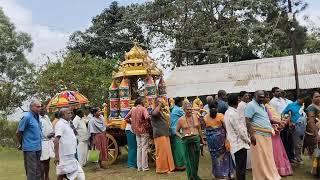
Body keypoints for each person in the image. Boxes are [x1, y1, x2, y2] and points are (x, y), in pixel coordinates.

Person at [245, 90, 280, 180]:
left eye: (263, 97)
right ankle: (261, 177)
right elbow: (247, 121)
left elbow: (264, 119)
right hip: (258, 135)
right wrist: (252, 135)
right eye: (259, 97)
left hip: (266, 135)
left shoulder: (262, 105)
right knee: (260, 158)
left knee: (267, 157)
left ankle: (269, 175)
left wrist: (275, 124)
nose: (261, 98)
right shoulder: (250, 105)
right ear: (254, 96)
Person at [264, 92, 292, 176]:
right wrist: (279, 123)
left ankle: (281, 169)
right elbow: (268, 119)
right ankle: (275, 169)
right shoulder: (264, 107)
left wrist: (281, 122)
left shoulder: (269, 106)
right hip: (271, 130)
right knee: (274, 150)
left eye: (268, 97)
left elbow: (276, 116)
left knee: (278, 150)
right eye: (266, 97)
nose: (268, 99)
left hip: (276, 130)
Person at [54, 108, 85, 180]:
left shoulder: (69, 123)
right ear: (62, 115)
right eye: (68, 113)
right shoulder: (60, 124)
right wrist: (56, 156)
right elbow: (56, 140)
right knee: (63, 173)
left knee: (66, 174)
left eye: (71, 113)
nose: (71, 115)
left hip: (71, 153)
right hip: (64, 155)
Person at [176, 103, 204, 180]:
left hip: (196, 139)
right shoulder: (180, 119)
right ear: (184, 110)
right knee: (188, 161)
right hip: (186, 141)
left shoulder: (195, 116)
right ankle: (191, 177)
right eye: (188, 109)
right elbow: (177, 131)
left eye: (190, 109)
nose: (189, 111)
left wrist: (202, 139)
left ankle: (195, 175)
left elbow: (199, 128)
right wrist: (181, 136)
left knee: (196, 160)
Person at [224, 94, 249, 180]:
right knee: (241, 168)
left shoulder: (228, 112)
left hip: (235, 143)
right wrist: (248, 140)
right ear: (237, 102)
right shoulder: (233, 113)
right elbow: (240, 131)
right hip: (240, 144)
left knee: (239, 167)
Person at [16, 100, 42, 180]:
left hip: (38, 147)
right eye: (38, 107)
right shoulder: (26, 117)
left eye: (40, 106)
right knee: (32, 171)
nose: (40, 108)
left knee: (38, 170)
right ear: (32, 107)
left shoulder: (37, 117)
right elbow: (18, 132)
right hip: (30, 148)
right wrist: (20, 144)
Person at [125, 97, 150, 171]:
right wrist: (146, 123)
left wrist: (132, 123)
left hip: (136, 131)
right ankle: (144, 167)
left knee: (139, 148)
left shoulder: (133, 109)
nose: (145, 103)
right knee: (144, 148)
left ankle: (139, 167)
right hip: (143, 130)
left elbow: (126, 118)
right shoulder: (143, 109)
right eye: (145, 102)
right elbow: (147, 117)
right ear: (142, 102)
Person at [269, 87, 294, 162]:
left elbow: (286, 110)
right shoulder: (272, 102)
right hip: (279, 123)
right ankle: (284, 158)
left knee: (288, 140)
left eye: (279, 91)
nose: (279, 92)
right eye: (277, 91)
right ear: (273, 93)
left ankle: (289, 157)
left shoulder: (282, 99)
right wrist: (279, 122)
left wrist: (287, 120)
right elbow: (274, 114)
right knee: (282, 141)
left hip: (286, 121)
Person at [151, 98, 175, 173]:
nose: (163, 102)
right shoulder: (154, 111)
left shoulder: (161, 110)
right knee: (161, 153)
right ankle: (162, 169)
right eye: (161, 101)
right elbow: (155, 113)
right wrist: (159, 104)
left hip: (165, 133)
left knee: (167, 151)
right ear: (157, 103)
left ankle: (168, 168)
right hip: (159, 134)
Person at [282, 93, 307, 165]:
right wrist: (289, 121)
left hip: (303, 126)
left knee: (300, 143)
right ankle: (298, 158)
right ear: (299, 98)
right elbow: (283, 113)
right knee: (296, 143)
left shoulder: (303, 105)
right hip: (295, 127)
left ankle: (297, 157)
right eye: (302, 100)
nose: (303, 101)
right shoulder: (291, 105)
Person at [305, 91, 320, 176]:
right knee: (316, 152)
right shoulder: (311, 107)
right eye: (316, 97)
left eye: (319, 96)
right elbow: (311, 121)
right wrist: (316, 134)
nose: (318, 98)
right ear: (312, 98)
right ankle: (315, 170)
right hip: (314, 132)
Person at [169, 97, 186, 170]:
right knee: (179, 149)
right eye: (181, 102)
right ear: (179, 102)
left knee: (175, 148)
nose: (182, 103)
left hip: (172, 130)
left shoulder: (173, 108)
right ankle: (180, 165)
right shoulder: (178, 110)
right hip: (176, 131)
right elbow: (187, 115)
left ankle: (176, 164)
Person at [39, 106, 55, 180]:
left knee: (48, 160)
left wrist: (52, 133)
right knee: (42, 160)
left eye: (45, 109)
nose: (44, 110)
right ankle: (42, 178)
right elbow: (38, 131)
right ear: (39, 110)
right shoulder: (37, 118)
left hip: (49, 141)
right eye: (42, 109)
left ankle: (47, 177)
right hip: (42, 142)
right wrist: (46, 135)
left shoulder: (46, 117)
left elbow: (50, 127)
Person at [237, 91, 252, 170]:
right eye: (245, 96)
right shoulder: (241, 105)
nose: (247, 97)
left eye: (248, 96)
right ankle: (247, 165)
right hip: (244, 127)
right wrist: (246, 128)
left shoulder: (247, 104)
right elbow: (242, 118)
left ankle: (249, 164)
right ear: (241, 97)